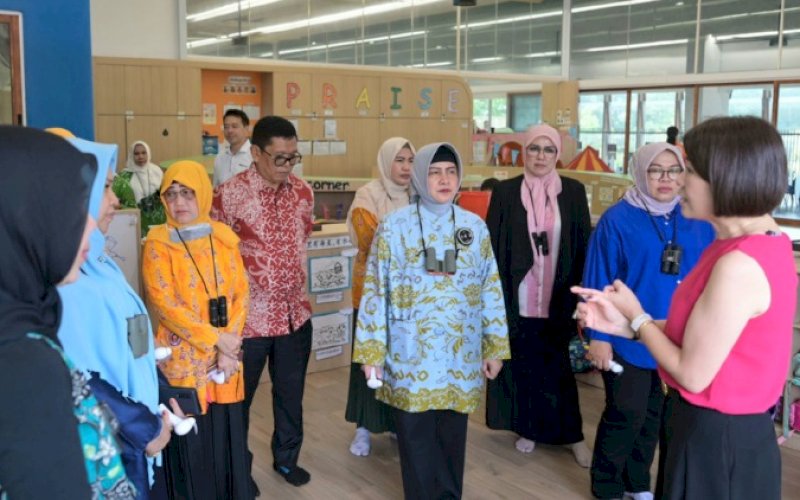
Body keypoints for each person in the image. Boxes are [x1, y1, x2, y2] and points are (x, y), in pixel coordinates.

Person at [573, 116, 796, 499]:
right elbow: (702, 331)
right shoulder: (757, 241)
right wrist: (624, 327)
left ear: (725, 177)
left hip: (718, 437)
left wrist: (637, 317)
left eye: (687, 170)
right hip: (708, 428)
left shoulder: (739, 263)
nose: (677, 181)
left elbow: (693, 374)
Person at [353, 142, 510, 500]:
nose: (444, 180)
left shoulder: (474, 227)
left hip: (460, 352)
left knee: (453, 436)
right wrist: (372, 352)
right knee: (415, 437)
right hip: (412, 350)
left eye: (451, 172)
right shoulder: (394, 227)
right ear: (420, 177)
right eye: (434, 172)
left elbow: (490, 288)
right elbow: (376, 290)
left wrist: (494, 347)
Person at [0, 126, 135, 498]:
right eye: (73, 208)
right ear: (26, 220)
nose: (89, 222)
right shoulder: (24, 365)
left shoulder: (23, 326)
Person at [583, 142, 714, 500]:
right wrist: (598, 336)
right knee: (627, 411)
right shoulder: (617, 219)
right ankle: (607, 484)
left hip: (677, 336)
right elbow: (597, 278)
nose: (665, 178)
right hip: (626, 336)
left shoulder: (696, 217)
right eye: (655, 170)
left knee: (657, 415)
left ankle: (637, 481)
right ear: (640, 173)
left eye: (674, 170)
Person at [57, 132, 173, 499]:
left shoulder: (97, 261)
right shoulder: (64, 279)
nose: (115, 200)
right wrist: (143, 428)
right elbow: (76, 378)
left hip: (134, 426)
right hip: (114, 441)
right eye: (105, 188)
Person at [212, 116, 314, 490]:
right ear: (256, 153)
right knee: (239, 402)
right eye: (279, 158)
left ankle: (287, 459)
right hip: (248, 321)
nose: (287, 166)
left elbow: (304, 237)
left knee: (291, 396)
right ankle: (239, 470)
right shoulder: (228, 195)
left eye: (293, 157)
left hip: (294, 316)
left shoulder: (303, 192)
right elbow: (216, 257)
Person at [484, 123, 593, 467]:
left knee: (559, 369)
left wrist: (582, 297)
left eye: (548, 150)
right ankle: (529, 428)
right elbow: (493, 246)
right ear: (524, 152)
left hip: (559, 295)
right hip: (521, 295)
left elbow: (582, 245)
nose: (541, 156)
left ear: (557, 154)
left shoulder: (573, 191)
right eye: (534, 148)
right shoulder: (506, 191)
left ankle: (573, 435)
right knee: (526, 365)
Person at [143, 160, 251, 499]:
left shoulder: (223, 237)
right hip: (184, 361)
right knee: (192, 443)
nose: (179, 202)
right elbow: (165, 304)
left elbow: (241, 293)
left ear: (202, 194)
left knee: (225, 435)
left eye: (187, 193)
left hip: (226, 361)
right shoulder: (158, 243)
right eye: (171, 194)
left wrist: (229, 348)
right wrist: (218, 340)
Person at [344, 137, 415, 456]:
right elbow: (369, 238)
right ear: (386, 162)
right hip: (371, 295)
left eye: (410, 160)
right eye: (399, 160)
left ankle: (396, 423)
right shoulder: (368, 194)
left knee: (400, 362)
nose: (406, 167)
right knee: (368, 363)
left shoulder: (417, 194)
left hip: (409, 297)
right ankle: (363, 428)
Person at [114, 140, 167, 234]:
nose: (141, 156)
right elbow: (118, 201)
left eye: (143, 153)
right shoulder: (124, 176)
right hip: (136, 221)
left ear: (148, 153)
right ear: (131, 155)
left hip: (159, 219)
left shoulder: (156, 171)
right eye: (136, 154)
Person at [214, 109, 253, 187]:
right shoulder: (220, 157)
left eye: (234, 126)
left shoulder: (255, 156)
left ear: (246, 129)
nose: (229, 130)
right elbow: (216, 188)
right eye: (226, 127)